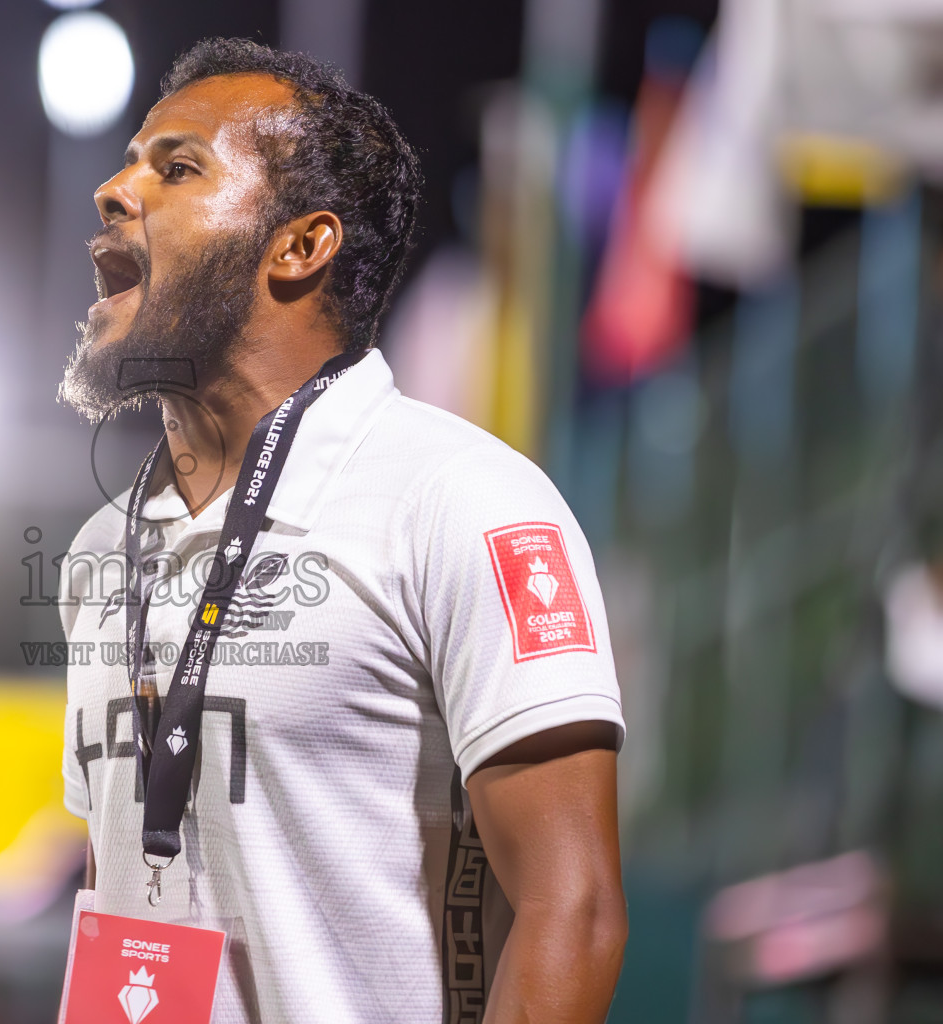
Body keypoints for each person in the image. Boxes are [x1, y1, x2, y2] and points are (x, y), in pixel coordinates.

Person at [57, 40, 627, 1023]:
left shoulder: (461, 498)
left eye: (177, 168)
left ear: (300, 245)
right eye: (129, 160)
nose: (114, 190)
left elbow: (570, 909)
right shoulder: (101, 551)